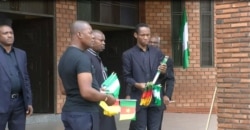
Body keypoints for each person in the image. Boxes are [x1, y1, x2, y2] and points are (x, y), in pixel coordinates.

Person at [58, 21, 116, 130]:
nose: (92, 37)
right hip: (84, 114)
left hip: (69, 111)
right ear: (79, 35)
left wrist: (97, 89)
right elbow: (86, 92)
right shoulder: (82, 58)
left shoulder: (63, 57)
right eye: (90, 33)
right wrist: (107, 97)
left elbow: (63, 89)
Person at [122, 23, 175, 130]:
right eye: (143, 35)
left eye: (148, 35)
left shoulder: (157, 52)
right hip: (139, 97)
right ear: (136, 35)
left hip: (155, 99)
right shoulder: (128, 54)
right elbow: (126, 77)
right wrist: (137, 84)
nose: (146, 37)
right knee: (139, 128)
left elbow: (164, 76)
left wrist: (163, 71)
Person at [0, 20, 33, 130]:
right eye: (5, 33)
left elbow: (25, 78)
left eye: (11, 33)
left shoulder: (21, 54)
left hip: (19, 102)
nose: (9, 35)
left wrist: (28, 101)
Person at [85, 29, 117, 130]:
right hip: (97, 101)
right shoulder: (87, 57)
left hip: (104, 100)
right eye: (101, 40)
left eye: (104, 41)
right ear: (92, 40)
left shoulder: (96, 56)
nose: (104, 43)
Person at [149, 35, 175, 130]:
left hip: (157, 97)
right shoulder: (142, 56)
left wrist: (167, 95)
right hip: (142, 96)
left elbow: (170, 79)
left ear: (159, 44)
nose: (152, 44)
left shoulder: (166, 60)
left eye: (155, 42)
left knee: (156, 126)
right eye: (150, 42)